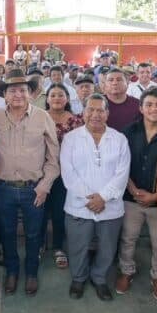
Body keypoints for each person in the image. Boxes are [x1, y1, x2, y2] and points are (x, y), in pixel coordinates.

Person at [0, 69, 59, 296]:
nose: (18, 94)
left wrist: (45, 186)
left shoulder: (43, 117)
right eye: (12, 90)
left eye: (22, 90)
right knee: (7, 233)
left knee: (33, 234)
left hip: (34, 189)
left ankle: (31, 273)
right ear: (5, 95)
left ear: (30, 93)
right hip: (3, 189)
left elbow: (53, 158)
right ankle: (12, 272)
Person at [60, 94, 130, 301]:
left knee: (108, 247)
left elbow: (122, 173)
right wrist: (90, 198)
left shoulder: (119, 139)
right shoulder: (71, 138)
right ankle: (79, 278)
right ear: (83, 112)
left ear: (107, 113)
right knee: (77, 245)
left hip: (110, 206)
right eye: (91, 109)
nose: (95, 114)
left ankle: (99, 278)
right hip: (79, 205)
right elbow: (68, 172)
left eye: (100, 110)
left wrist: (104, 198)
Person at [116, 88, 157, 300]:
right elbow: (119, 165)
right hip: (131, 198)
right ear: (141, 108)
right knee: (128, 238)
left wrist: (155, 197)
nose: (154, 109)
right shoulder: (128, 132)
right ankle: (127, 271)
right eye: (150, 104)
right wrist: (133, 190)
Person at [44, 84, 84, 270]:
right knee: (40, 211)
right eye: (53, 95)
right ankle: (39, 244)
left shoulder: (76, 121)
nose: (57, 98)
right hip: (41, 172)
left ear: (67, 99)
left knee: (60, 212)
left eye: (61, 95)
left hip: (66, 174)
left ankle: (58, 247)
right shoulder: (39, 118)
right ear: (47, 98)